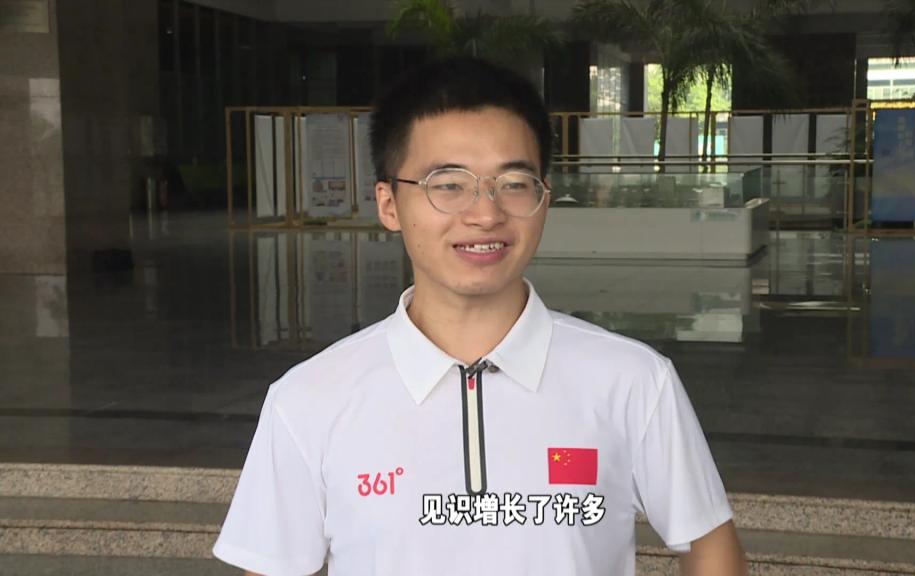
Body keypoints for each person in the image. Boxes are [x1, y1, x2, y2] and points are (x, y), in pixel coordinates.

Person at [213, 57, 746, 576]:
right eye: (448, 185)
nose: (486, 213)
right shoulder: (309, 399)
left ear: (544, 199)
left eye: (513, 183)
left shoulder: (633, 381)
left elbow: (711, 550)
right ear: (389, 204)